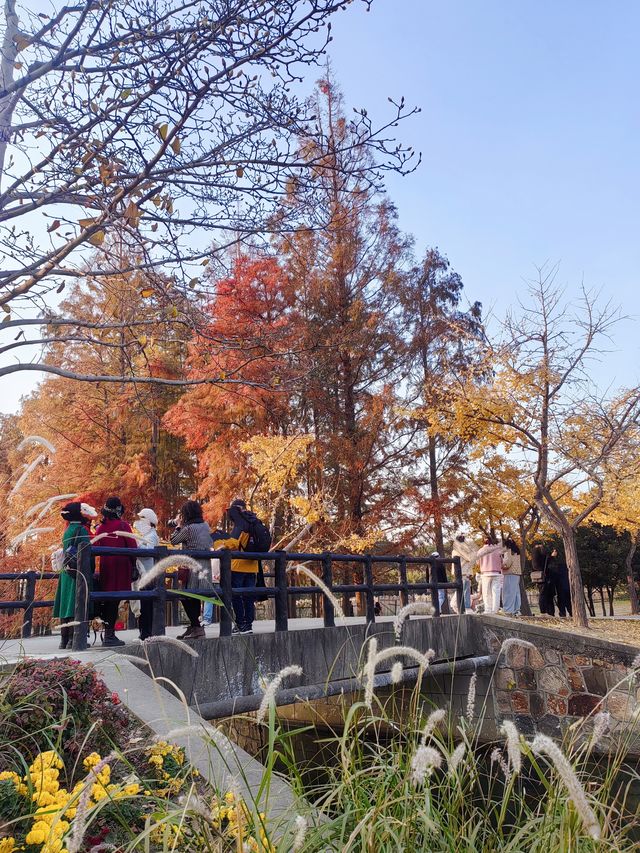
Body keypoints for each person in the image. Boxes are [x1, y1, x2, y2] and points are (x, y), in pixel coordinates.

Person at [213, 499, 263, 634]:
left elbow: (234, 543)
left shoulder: (241, 523)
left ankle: (240, 623)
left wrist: (218, 543)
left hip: (238, 566)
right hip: (252, 566)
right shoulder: (255, 521)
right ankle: (249, 625)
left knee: (236, 595)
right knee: (249, 596)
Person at [53, 502, 97, 649]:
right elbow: (86, 552)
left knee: (65, 603)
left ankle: (63, 640)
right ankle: (74, 638)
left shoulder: (68, 530)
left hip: (66, 572)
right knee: (75, 603)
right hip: (77, 572)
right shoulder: (81, 530)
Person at [94, 496, 136, 647]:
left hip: (106, 567)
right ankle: (110, 635)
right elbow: (132, 547)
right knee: (115, 600)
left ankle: (108, 632)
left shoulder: (100, 528)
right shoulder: (123, 526)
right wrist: (134, 565)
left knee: (108, 600)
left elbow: (96, 546)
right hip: (121, 566)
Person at [169, 500, 214, 639]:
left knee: (187, 595)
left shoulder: (188, 529)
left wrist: (178, 526)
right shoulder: (205, 525)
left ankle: (196, 627)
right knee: (196, 595)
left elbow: (173, 540)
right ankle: (194, 626)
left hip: (192, 565)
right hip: (205, 564)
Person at [132, 508, 160, 640]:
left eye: (141, 518)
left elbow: (148, 552)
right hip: (142, 575)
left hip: (148, 575)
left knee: (146, 606)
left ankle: (146, 633)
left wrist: (136, 544)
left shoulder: (152, 536)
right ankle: (143, 632)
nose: (139, 521)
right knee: (142, 605)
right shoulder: (145, 536)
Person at [475, 536, 503, 615]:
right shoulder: (497, 550)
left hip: (485, 573)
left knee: (486, 593)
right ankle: (495, 610)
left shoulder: (481, 551)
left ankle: (488, 610)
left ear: (483, 542)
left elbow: (477, 563)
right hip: (496, 573)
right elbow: (502, 561)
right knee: (496, 593)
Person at [451, 533, 478, 611]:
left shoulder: (457, 550)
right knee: (464, 591)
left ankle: (464, 607)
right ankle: (463, 607)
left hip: (463, 573)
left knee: (464, 591)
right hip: (464, 573)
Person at [501, 536, 522, 616]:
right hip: (517, 574)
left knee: (508, 592)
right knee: (516, 592)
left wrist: (501, 565)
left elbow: (507, 564)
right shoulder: (517, 552)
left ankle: (508, 610)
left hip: (510, 573)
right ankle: (517, 610)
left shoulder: (508, 552)